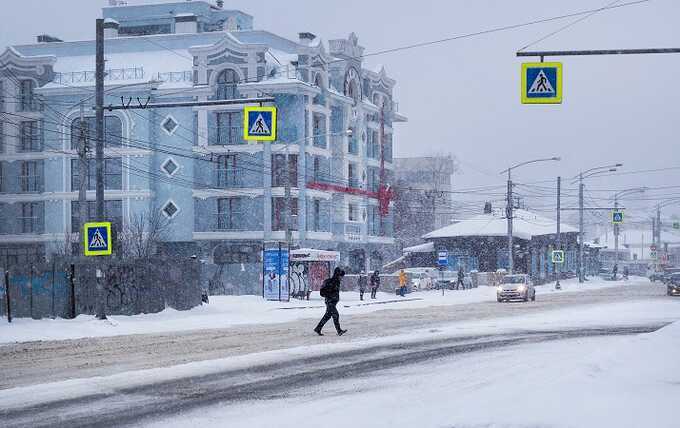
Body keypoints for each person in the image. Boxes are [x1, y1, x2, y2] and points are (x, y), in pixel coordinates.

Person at [314, 267, 347, 336]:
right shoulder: (331, 282)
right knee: (336, 315)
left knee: (327, 316)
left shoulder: (337, 282)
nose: (342, 278)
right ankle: (339, 331)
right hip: (330, 302)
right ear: (337, 275)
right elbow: (323, 292)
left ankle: (318, 328)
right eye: (341, 276)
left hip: (333, 302)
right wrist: (331, 296)